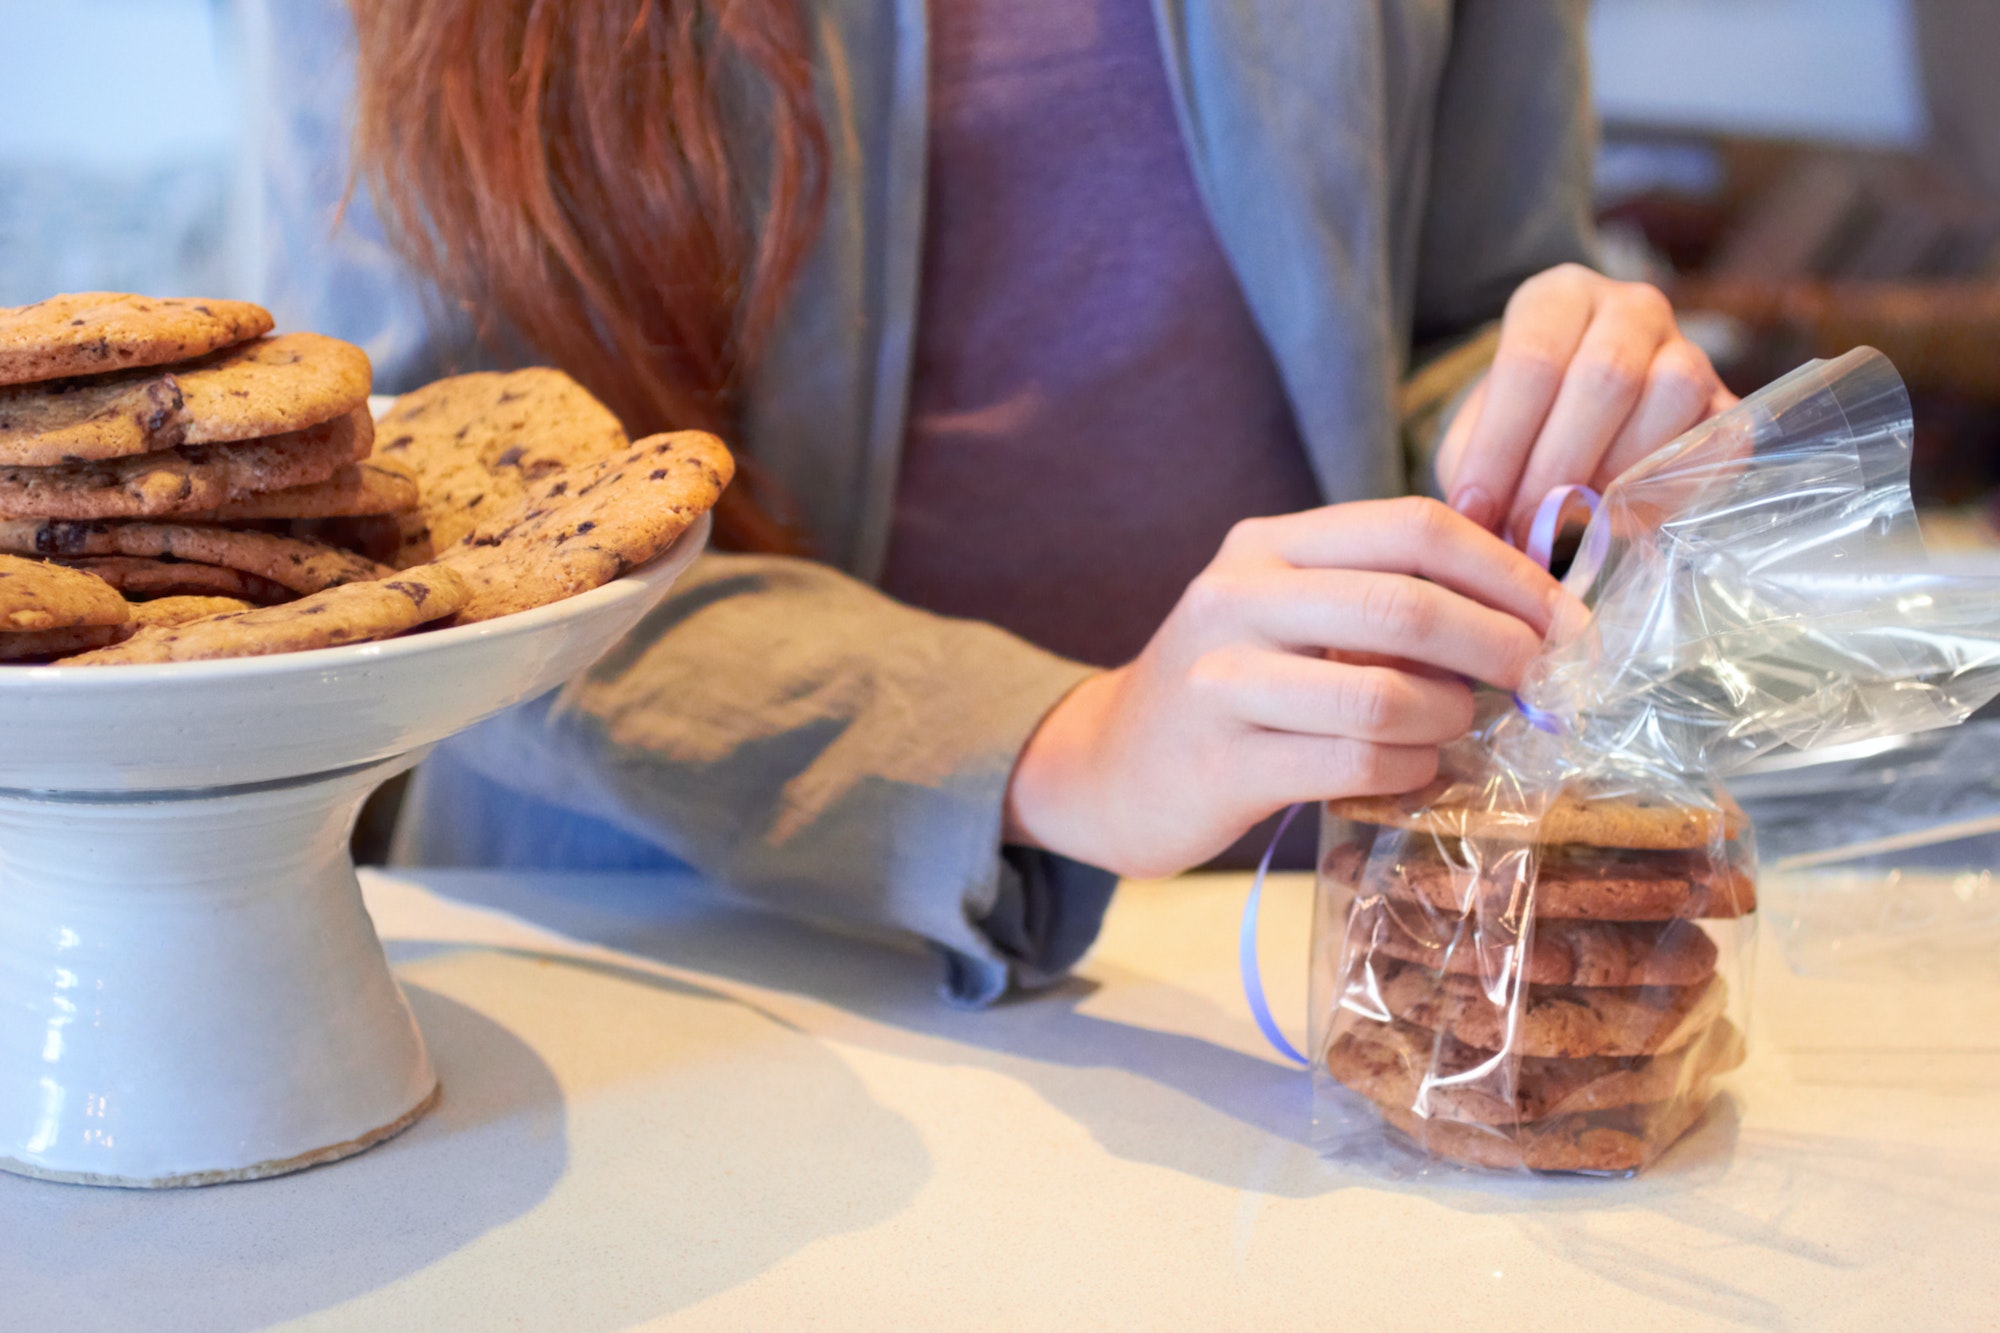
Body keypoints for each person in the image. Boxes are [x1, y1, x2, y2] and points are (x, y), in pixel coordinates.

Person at [257, 0, 1731, 1003]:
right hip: (658, 954)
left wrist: (1553, 420)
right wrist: (1064, 750)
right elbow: (423, 523)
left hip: (1311, 955)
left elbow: (1458, 306)